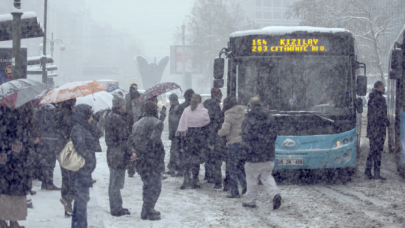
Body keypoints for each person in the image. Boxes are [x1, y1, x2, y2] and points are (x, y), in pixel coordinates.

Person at [0, 104, 39, 228]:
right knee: (13, 193)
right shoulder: (17, 115)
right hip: (15, 164)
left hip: (7, 163)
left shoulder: (10, 116)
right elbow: (22, 139)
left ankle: (4, 220)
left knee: (5, 191)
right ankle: (12, 220)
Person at [241, 97, 281, 210]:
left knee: (252, 178)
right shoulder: (270, 116)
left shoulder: (248, 118)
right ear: (262, 104)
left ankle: (250, 201)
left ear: (251, 106)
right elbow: (274, 135)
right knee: (267, 176)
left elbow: (245, 137)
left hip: (253, 155)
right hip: (268, 154)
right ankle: (275, 194)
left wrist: (245, 152)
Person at [128, 101, 164, 220]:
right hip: (152, 159)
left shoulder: (136, 124)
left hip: (140, 159)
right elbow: (155, 141)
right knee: (155, 186)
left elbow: (131, 141)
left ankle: (147, 209)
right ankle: (148, 209)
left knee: (147, 184)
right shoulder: (157, 123)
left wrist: (136, 152)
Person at [105, 96, 134, 216]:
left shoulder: (110, 117)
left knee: (113, 181)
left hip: (112, 152)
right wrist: (130, 151)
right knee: (116, 182)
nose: (126, 106)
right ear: (120, 106)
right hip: (118, 154)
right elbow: (123, 139)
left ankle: (115, 206)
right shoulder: (117, 119)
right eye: (124, 104)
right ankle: (116, 208)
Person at [70, 104, 97, 228]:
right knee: (82, 200)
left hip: (83, 170)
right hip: (81, 170)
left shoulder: (82, 128)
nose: (91, 118)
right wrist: (89, 158)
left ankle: (78, 225)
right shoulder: (78, 129)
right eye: (89, 116)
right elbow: (80, 146)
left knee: (81, 201)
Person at [176, 94, 210, 189]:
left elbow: (182, 123)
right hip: (199, 138)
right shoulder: (204, 111)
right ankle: (195, 180)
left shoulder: (187, 110)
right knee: (196, 160)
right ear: (200, 100)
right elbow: (207, 122)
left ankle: (186, 179)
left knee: (187, 159)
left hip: (188, 136)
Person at [218, 96, 247, 198]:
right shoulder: (243, 113)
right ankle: (244, 183)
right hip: (242, 142)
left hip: (233, 143)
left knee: (231, 167)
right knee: (238, 165)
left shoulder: (229, 115)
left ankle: (235, 192)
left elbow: (225, 130)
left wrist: (218, 133)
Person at [54, 98, 76, 217]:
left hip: (60, 148)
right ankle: (68, 201)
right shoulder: (68, 115)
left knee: (65, 176)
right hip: (67, 149)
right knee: (71, 177)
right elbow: (70, 131)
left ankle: (66, 201)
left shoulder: (57, 113)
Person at [365, 81, 390, 180]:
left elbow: (373, 115)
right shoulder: (380, 99)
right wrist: (387, 124)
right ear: (379, 87)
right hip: (378, 129)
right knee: (378, 152)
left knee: (372, 151)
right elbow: (381, 115)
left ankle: (368, 171)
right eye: (383, 87)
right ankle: (376, 173)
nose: (384, 88)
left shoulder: (371, 98)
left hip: (372, 129)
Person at [203, 88, 225, 189]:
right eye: (220, 93)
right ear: (216, 94)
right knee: (216, 158)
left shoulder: (207, 104)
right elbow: (215, 122)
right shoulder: (215, 105)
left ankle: (209, 175)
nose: (222, 95)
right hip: (214, 135)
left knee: (209, 156)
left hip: (207, 133)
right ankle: (217, 180)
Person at [37, 103, 61, 190]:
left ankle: (45, 182)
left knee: (46, 162)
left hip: (44, 139)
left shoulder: (41, 110)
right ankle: (48, 183)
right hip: (51, 140)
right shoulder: (50, 109)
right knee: (50, 162)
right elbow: (54, 125)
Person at [166, 93, 183, 177]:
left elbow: (174, 122)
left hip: (176, 134)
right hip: (176, 133)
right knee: (173, 151)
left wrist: (173, 133)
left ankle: (178, 169)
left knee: (176, 151)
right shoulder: (174, 108)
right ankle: (172, 168)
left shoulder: (175, 108)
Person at [126, 89, 141, 178]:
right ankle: (131, 169)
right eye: (138, 98)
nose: (139, 99)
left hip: (138, 131)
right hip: (130, 130)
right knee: (131, 150)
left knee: (137, 149)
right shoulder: (127, 106)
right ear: (134, 98)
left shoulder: (140, 105)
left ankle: (138, 168)